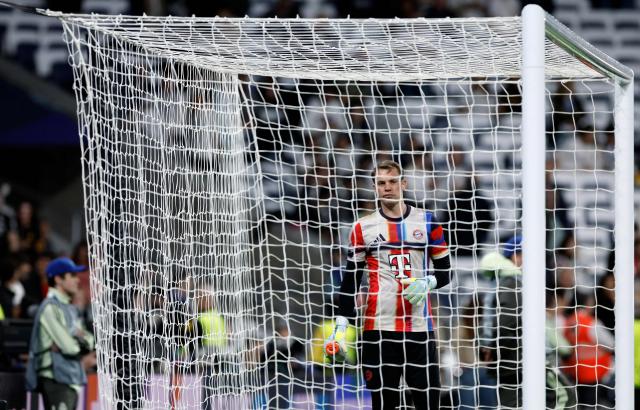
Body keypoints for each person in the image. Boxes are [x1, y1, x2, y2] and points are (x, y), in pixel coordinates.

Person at [324, 160, 452, 409]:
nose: (387, 187)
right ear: (375, 187)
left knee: (429, 404)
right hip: (378, 331)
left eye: (393, 181)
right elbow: (351, 280)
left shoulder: (427, 222)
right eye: (381, 183)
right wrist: (341, 326)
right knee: (383, 404)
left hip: (419, 330)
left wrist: (429, 281)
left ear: (403, 183)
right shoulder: (362, 227)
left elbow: (446, 273)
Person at [479, 236, 575, 409]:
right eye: (524, 254)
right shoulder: (512, 284)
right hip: (523, 361)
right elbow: (505, 324)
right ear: (514, 257)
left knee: (513, 404)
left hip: (510, 363)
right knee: (566, 397)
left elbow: (492, 325)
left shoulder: (503, 283)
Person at [25, 257, 94, 410]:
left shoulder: (70, 308)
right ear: (58, 279)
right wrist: (78, 341)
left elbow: (89, 341)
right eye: (72, 275)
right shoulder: (49, 308)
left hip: (69, 376)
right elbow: (70, 347)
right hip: (55, 377)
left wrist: (77, 342)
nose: (78, 280)